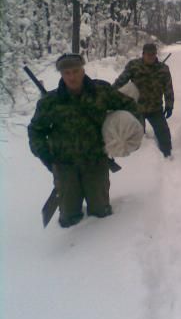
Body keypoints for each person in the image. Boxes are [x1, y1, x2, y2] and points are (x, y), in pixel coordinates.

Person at [28, 53, 141, 228]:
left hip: (96, 161)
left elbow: (129, 105)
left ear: (83, 70)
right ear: (61, 75)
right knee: (68, 218)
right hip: (65, 166)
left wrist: (128, 131)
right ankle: (72, 252)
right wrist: (45, 155)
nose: (72, 77)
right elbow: (35, 130)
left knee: (101, 213)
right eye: (67, 73)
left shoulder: (101, 91)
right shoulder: (50, 102)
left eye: (75, 71)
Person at [112, 43, 174, 158]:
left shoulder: (163, 69)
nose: (150, 56)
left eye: (153, 54)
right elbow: (121, 81)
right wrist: (110, 93)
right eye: (148, 54)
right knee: (136, 139)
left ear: (156, 54)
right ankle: (140, 163)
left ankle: (168, 156)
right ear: (143, 54)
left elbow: (168, 88)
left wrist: (170, 105)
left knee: (164, 135)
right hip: (136, 109)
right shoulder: (133, 66)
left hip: (155, 108)